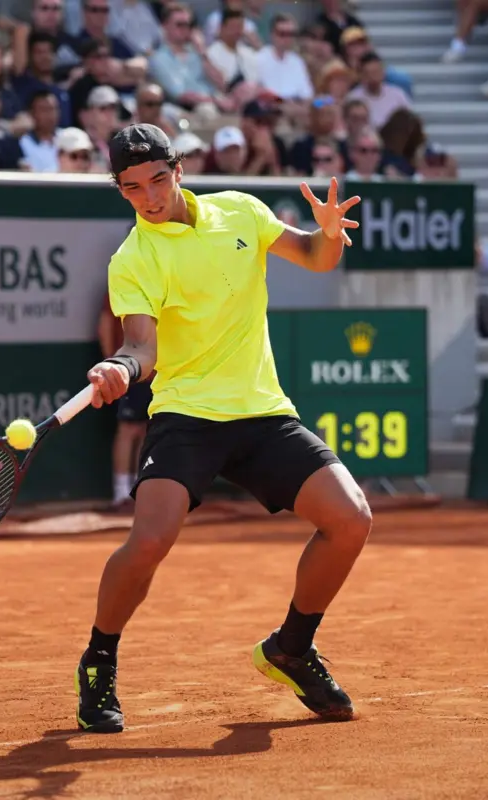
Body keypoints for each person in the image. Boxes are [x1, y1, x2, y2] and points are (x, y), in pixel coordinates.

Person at [75, 123, 373, 733]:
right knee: (151, 541)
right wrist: (118, 367)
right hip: (187, 414)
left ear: (178, 170)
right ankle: (98, 662)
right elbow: (141, 348)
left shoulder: (241, 212)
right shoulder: (133, 258)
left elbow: (315, 257)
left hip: (262, 410)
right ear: (122, 190)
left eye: (158, 179)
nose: (150, 197)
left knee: (351, 519)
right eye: (132, 189)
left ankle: (291, 647)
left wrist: (331, 235)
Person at [97, 286, 152, 512]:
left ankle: (138, 492)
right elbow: (105, 325)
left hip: (161, 374)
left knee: (148, 432)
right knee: (128, 430)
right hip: (131, 372)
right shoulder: (122, 283)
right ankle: (121, 495)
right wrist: (115, 364)